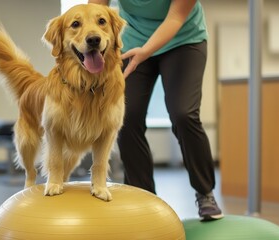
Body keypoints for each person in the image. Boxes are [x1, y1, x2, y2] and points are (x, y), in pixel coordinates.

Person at [88, 0, 223, 221]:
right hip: (133, 42)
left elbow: (176, 17)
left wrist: (147, 50)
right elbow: (94, 11)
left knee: (183, 114)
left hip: (183, 40)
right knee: (126, 119)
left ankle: (204, 191)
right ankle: (144, 198)